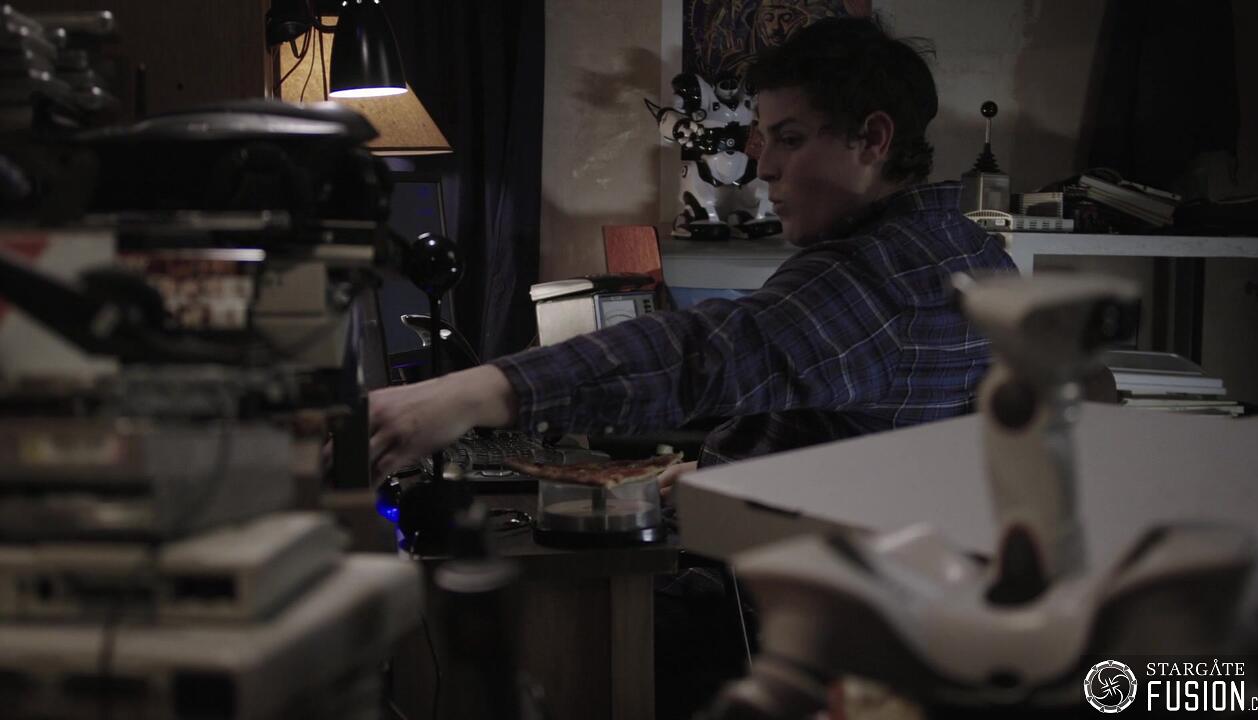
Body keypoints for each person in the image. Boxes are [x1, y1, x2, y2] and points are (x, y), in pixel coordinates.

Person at [368, 15, 1016, 717]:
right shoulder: (969, 248)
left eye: (790, 139)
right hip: (890, 618)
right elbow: (893, 443)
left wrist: (468, 395)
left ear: (874, 139)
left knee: (476, 632)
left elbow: (701, 355)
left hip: (774, 636)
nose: (764, 168)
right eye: (763, 138)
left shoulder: (871, 277)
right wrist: (733, 481)